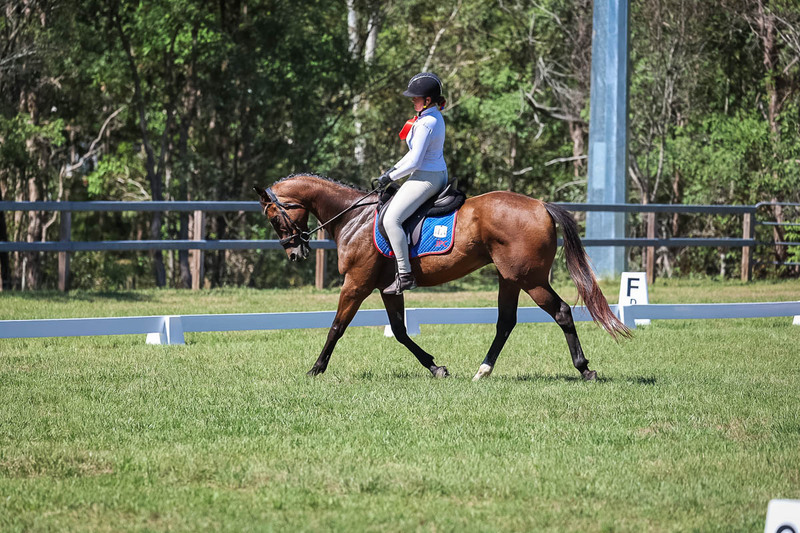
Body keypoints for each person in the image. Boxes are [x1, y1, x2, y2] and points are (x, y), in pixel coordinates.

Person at [375, 72, 449, 295]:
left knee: (391, 219)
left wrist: (391, 177)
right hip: (431, 172)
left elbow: (415, 160)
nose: (412, 101)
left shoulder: (426, 123)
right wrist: (392, 171)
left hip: (427, 177)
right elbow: (412, 155)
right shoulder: (429, 117)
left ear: (427, 100)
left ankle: (405, 274)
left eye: (416, 98)